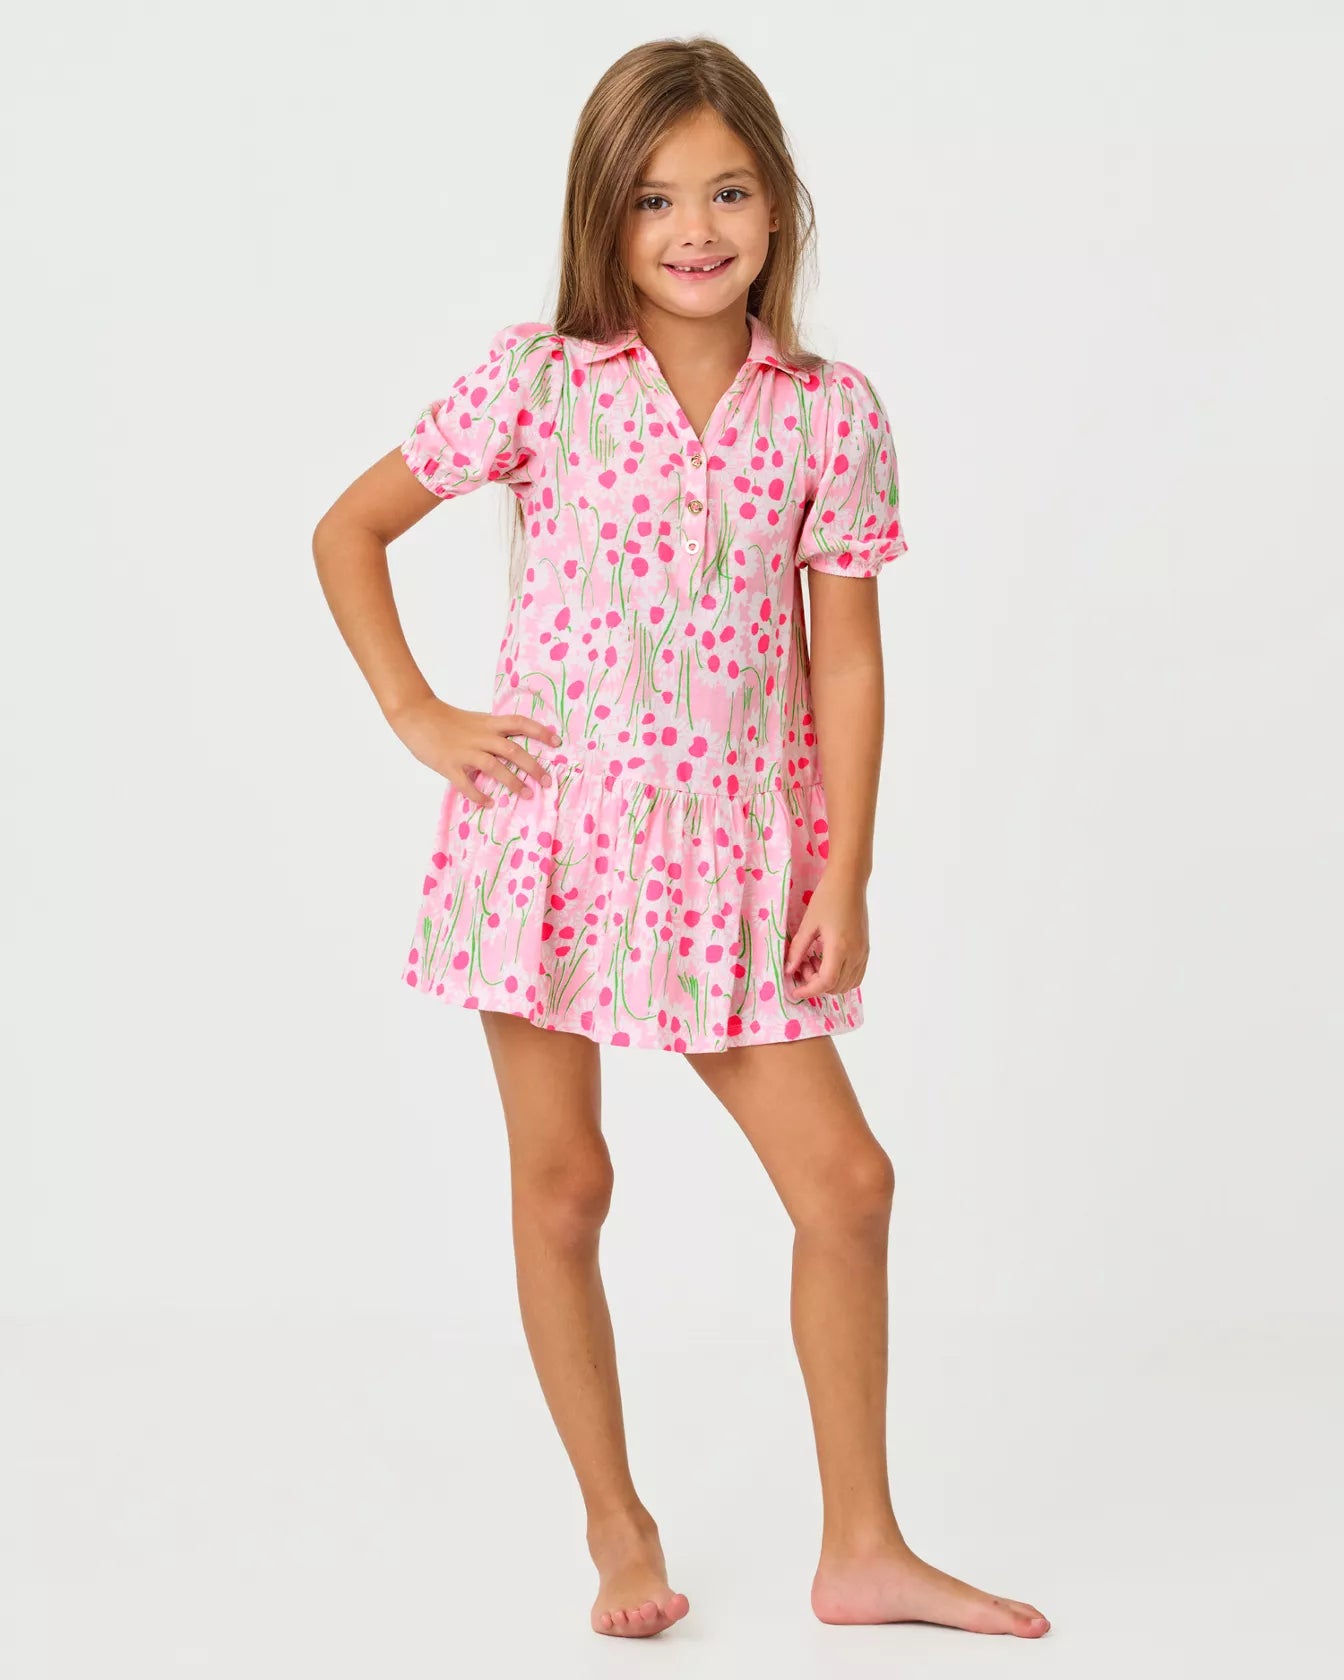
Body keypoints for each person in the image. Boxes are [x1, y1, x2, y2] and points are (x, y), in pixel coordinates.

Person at [312, 34, 1049, 1645]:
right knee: (565, 1184)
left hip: (733, 857)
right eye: (654, 199)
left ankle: (862, 1545)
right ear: (606, 215)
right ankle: (616, 1522)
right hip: (550, 841)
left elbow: (845, 661)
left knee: (846, 1183)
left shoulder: (831, 414)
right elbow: (349, 528)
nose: (694, 228)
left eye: (726, 191)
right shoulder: (541, 380)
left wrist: (843, 867)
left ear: (778, 205)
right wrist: (419, 713)